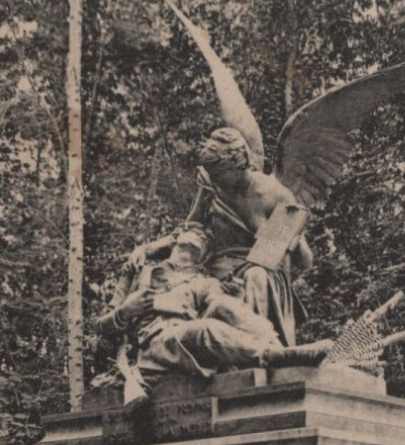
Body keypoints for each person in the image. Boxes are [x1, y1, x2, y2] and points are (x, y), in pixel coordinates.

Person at [96, 223, 328, 397]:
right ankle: (273, 357)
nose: (198, 238)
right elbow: (101, 327)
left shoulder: (203, 281)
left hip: (184, 337)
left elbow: (222, 305)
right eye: (192, 233)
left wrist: (236, 297)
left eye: (203, 239)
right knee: (206, 329)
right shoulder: (138, 271)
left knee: (223, 305)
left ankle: (277, 348)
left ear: (204, 254)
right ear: (175, 239)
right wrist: (125, 311)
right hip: (153, 345)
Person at [185, 127, 314, 346]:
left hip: (263, 273)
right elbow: (192, 225)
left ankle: (255, 349)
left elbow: (305, 262)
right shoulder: (212, 186)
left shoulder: (275, 195)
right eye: (213, 175)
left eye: (220, 175)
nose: (215, 181)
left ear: (238, 164)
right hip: (218, 268)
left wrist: (294, 234)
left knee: (255, 277)